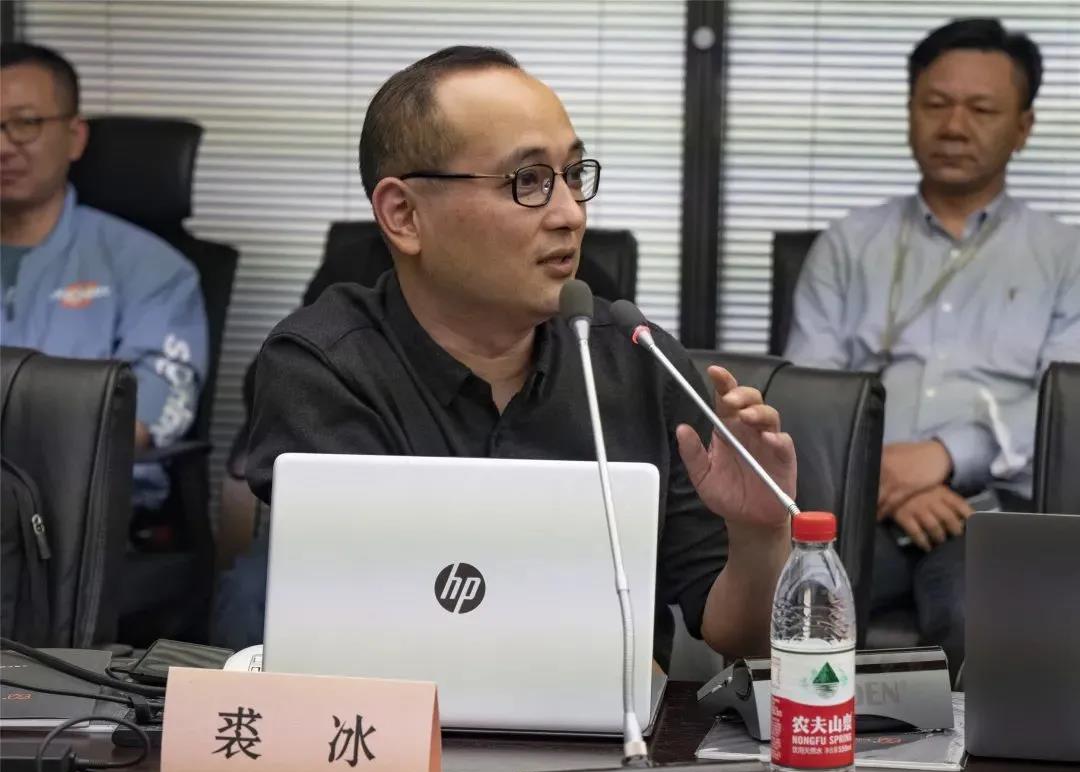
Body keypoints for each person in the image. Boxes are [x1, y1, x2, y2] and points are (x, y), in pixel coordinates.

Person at [237, 46, 797, 669]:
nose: (571, 214)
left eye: (574, 174)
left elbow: (739, 636)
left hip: (615, 731)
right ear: (404, 215)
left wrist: (759, 535)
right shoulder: (324, 368)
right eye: (527, 181)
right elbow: (364, 629)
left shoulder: (637, 360)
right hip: (398, 722)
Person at [785, 18, 1080, 678]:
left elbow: (1066, 413)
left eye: (981, 109)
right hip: (857, 506)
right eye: (936, 104)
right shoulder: (848, 245)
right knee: (800, 608)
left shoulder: (1066, 257)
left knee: (980, 618)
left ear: (1024, 127)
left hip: (995, 512)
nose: (954, 126)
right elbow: (811, 399)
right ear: (910, 111)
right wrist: (890, 479)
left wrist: (946, 455)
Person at [0, 43, 208, 508]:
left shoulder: (152, 267)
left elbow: (150, 411)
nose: (3, 146)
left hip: (82, 508)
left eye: (25, 123)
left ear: (75, 136)